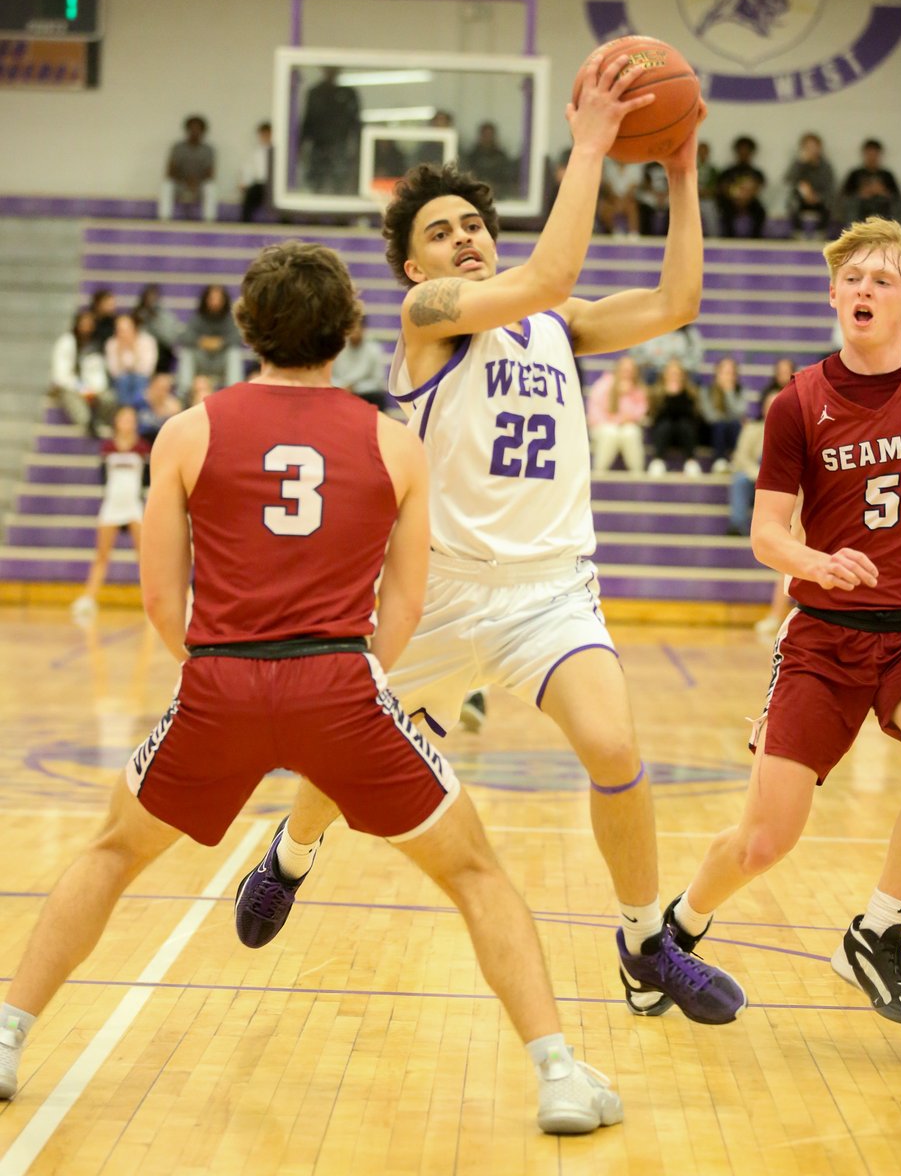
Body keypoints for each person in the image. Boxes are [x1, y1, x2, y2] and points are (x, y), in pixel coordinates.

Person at [0, 240, 625, 1134]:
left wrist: (219, 670)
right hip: (341, 683)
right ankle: (558, 1075)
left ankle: (8, 1037)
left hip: (219, 680)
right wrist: (352, 671)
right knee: (476, 873)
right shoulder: (391, 441)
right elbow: (405, 601)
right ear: (349, 331)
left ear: (247, 326)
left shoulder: (187, 430)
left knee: (110, 854)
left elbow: (156, 597)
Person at [232, 58, 745, 1027]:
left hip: (548, 594)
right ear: (414, 267)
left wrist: (680, 171)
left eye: (473, 222)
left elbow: (677, 304)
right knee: (341, 759)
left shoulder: (556, 325)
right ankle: (289, 856)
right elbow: (549, 268)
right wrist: (590, 142)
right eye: (442, 230)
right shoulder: (426, 321)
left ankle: (644, 942)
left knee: (614, 746)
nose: (463, 236)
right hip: (437, 593)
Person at [668, 216, 901, 1030]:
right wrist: (813, 563)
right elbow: (765, 534)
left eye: (881, 280)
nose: (862, 289)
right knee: (763, 841)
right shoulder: (797, 404)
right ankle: (669, 933)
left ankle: (878, 926)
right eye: (851, 278)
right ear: (830, 294)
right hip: (823, 638)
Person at [70, 404, 149, 620]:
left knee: (143, 556)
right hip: (112, 505)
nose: (127, 423)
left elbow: (147, 479)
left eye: (131, 419)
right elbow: (103, 477)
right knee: (102, 555)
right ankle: (88, 598)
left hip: (133, 506)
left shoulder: (143, 448)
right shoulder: (107, 447)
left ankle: (151, 600)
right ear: (116, 422)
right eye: (123, 418)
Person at [50, 308, 113, 437]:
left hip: (92, 387)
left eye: (90, 323)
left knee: (109, 399)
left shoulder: (96, 345)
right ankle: (89, 424)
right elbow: (61, 376)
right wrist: (82, 388)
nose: (87, 327)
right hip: (70, 387)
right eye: (84, 323)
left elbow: (98, 371)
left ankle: (103, 422)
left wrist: (93, 389)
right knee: (75, 403)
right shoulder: (66, 342)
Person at [725, 387, 780, 534]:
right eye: (769, 404)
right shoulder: (751, 428)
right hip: (754, 477)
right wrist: (760, 475)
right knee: (740, 480)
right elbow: (741, 457)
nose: (773, 408)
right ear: (763, 408)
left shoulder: (794, 430)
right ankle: (737, 526)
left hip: (782, 482)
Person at [300, 67, 361, 194]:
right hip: (319, 146)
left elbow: (355, 123)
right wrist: (300, 146)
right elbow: (308, 120)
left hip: (339, 146)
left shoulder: (348, 93)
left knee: (339, 185)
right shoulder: (315, 93)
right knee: (316, 185)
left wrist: (357, 148)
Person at [176, 285, 244, 397]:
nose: (215, 302)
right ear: (206, 299)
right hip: (202, 360)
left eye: (218, 299)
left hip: (220, 362)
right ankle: (183, 393)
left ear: (224, 300)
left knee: (234, 353)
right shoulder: (198, 317)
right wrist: (202, 342)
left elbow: (237, 338)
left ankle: (235, 393)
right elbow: (184, 337)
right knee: (187, 352)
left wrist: (221, 343)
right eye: (212, 298)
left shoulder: (230, 318)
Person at [586, 354, 648, 472]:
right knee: (610, 433)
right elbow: (594, 410)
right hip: (603, 425)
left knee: (631, 433)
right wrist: (613, 421)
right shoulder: (603, 384)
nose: (627, 373)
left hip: (626, 426)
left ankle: (637, 473)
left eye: (631, 371)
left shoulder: (638, 388)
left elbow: (640, 411)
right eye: (625, 370)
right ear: (617, 369)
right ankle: (599, 472)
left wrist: (627, 395)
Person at [646, 359, 703, 476]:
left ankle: (691, 461)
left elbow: (692, 415)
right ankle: (658, 460)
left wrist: (678, 395)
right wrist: (669, 395)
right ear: (664, 375)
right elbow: (656, 416)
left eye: (677, 373)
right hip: (663, 431)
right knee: (665, 425)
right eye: (671, 373)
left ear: (683, 376)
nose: (674, 376)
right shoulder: (656, 392)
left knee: (684, 424)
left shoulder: (691, 392)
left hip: (684, 431)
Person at [158, 114, 217, 222]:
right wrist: (185, 181)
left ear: (203, 131)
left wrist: (196, 182)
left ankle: (209, 220)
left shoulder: (208, 150)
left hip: (199, 185)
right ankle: (164, 218)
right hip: (180, 183)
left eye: (198, 128)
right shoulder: (177, 147)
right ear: (187, 130)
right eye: (192, 128)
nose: (194, 131)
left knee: (210, 187)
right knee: (167, 185)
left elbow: (210, 174)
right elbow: (170, 171)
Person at [837, 139, 901, 226]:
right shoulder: (855, 174)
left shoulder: (887, 175)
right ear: (864, 154)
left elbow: (898, 198)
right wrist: (861, 194)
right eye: (869, 154)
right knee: (851, 203)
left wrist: (882, 192)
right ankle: (854, 230)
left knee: (897, 204)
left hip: (882, 208)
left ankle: (892, 231)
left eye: (875, 154)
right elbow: (843, 196)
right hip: (861, 208)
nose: (872, 157)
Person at [699, 356, 747, 473]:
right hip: (710, 432)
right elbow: (710, 417)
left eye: (731, 373)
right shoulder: (706, 391)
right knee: (720, 425)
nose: (728, 376)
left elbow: (739, 413)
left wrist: (728, 393)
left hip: (731, 430)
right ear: (717, 373)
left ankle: (737, 460)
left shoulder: (740, 391)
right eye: (725, 372)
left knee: (736, 425)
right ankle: (719, 461)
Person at [784, 132, 835, 238]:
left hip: (820, 198)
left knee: (829, 203)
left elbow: (828, 186)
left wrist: (817, 197)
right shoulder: (798, 163)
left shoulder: (825, 166)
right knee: (792, 203)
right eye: (807, 147)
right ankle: (797, 232)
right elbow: (789, 179)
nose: (811, 150)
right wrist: (801, 164)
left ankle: (821, 232)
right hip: (801, 198)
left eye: (813, 146)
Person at [331, 316, 388, 411]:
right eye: (351, 328)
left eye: (357, 327)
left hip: (364, 394)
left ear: (363, 329)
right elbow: (329, 377)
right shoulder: (338, 349)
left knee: (378, 397)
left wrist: (355, 387)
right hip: (340, 391)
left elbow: (378, 381)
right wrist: (343, 387)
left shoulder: (374, 349)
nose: (354, 331)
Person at [716, 135, 766, 239]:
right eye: (741, 150)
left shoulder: (756, 173)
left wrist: (746, 199)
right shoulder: (728, 171)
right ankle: (728, 238)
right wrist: (736, 199)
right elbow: (723, 187)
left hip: (749, 201)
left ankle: (756, 238)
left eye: (747, 150)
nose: (744, 153)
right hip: (731, 201)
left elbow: (758, 188)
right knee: (725, 211)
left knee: (760, 211)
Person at [105, 313, 158, 410]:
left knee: (138, 380)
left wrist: (134, 350)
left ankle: (133, 412)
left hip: (142, 380)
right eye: (120, 330)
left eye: (127, 329)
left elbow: (146, 370)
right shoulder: (112, 343)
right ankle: (127, 411)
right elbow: (114, 372)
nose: (123, 333)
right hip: (120, 382)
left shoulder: (147, 341)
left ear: (134, 328)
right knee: (123, 380)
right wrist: (119, 352)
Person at [133, 284, 184, 374]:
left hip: (162, 348)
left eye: (154, 297)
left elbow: (170, 337)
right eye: (148, 297)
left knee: (164, 351)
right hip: (141, 348)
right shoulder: (137, 314)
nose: (151, 300)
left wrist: (157, 327)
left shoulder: (164, 314)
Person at [628, 323, 703, 382]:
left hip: (683, 374)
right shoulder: (648, 329)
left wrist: (678, 367)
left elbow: (697, 357)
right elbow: (635, 354)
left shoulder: (689, 332)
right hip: (653, 372)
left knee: (694, 379)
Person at [462, 121, 516, 198]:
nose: (488, 138)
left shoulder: (501, 157)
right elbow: (466, 176)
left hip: (499, 196)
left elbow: (508, 177)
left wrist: (497, 186)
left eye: (490, 135)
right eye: (485, 135)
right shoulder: (471, 156)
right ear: (480, 136)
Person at [596, 156, 641, 236]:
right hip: (612, 199)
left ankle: (633, 232)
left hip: (628, 200)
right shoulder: (609, 168)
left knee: (632, 207)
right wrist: (616, 200)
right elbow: (608, 188)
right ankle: (616, 231)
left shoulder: (634, 167)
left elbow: (633, 188)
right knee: (604, 208)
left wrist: (622, 202)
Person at [239, 121, 273, 222]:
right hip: (260, 185)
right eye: (263, 134)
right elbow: (248, 169)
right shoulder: (255, 152)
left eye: (268, 134)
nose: (265, 136)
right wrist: (244, 183)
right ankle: (245, 223)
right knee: (251, 194)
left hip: (274, 186)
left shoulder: (279, 151)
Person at [137, 371, 183, 442]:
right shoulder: (139, 402)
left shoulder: (173, 407)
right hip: (142, 442)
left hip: (163, 442)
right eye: (159, 387)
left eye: (165, 389)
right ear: (151, 386)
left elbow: (176, 432)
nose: (161, 392)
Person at [634, 161, 670, 236]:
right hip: (652, 194)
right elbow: (644, 183)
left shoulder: (669, 163)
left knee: (676, 203)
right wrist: (654, 193)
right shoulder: (649, 166)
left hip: (668, 194)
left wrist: (665, 194)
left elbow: (675, 181)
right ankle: (645, 233)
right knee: (643, 201)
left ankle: (668, 234)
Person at [697, 140, 720, 237]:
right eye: (700, 151)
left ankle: (714, 237)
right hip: (692, 199)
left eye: (704, 151)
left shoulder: (713, 169)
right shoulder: (691, 167)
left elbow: (717, 186)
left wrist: (707, 192)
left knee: (711, 216)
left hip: (707, 199)